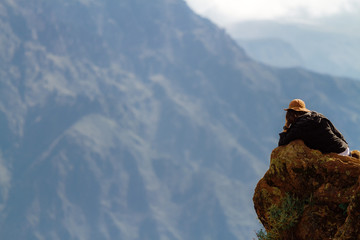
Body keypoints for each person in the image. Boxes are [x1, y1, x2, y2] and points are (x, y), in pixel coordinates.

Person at [278, 99, 350, 156]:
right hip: (345, 149)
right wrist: (346, 148)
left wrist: (287, 125)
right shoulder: (318, 116)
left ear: (291, 114)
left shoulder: (299, 125)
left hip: (337, 154)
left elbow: (282, 143)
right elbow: (338, 134)